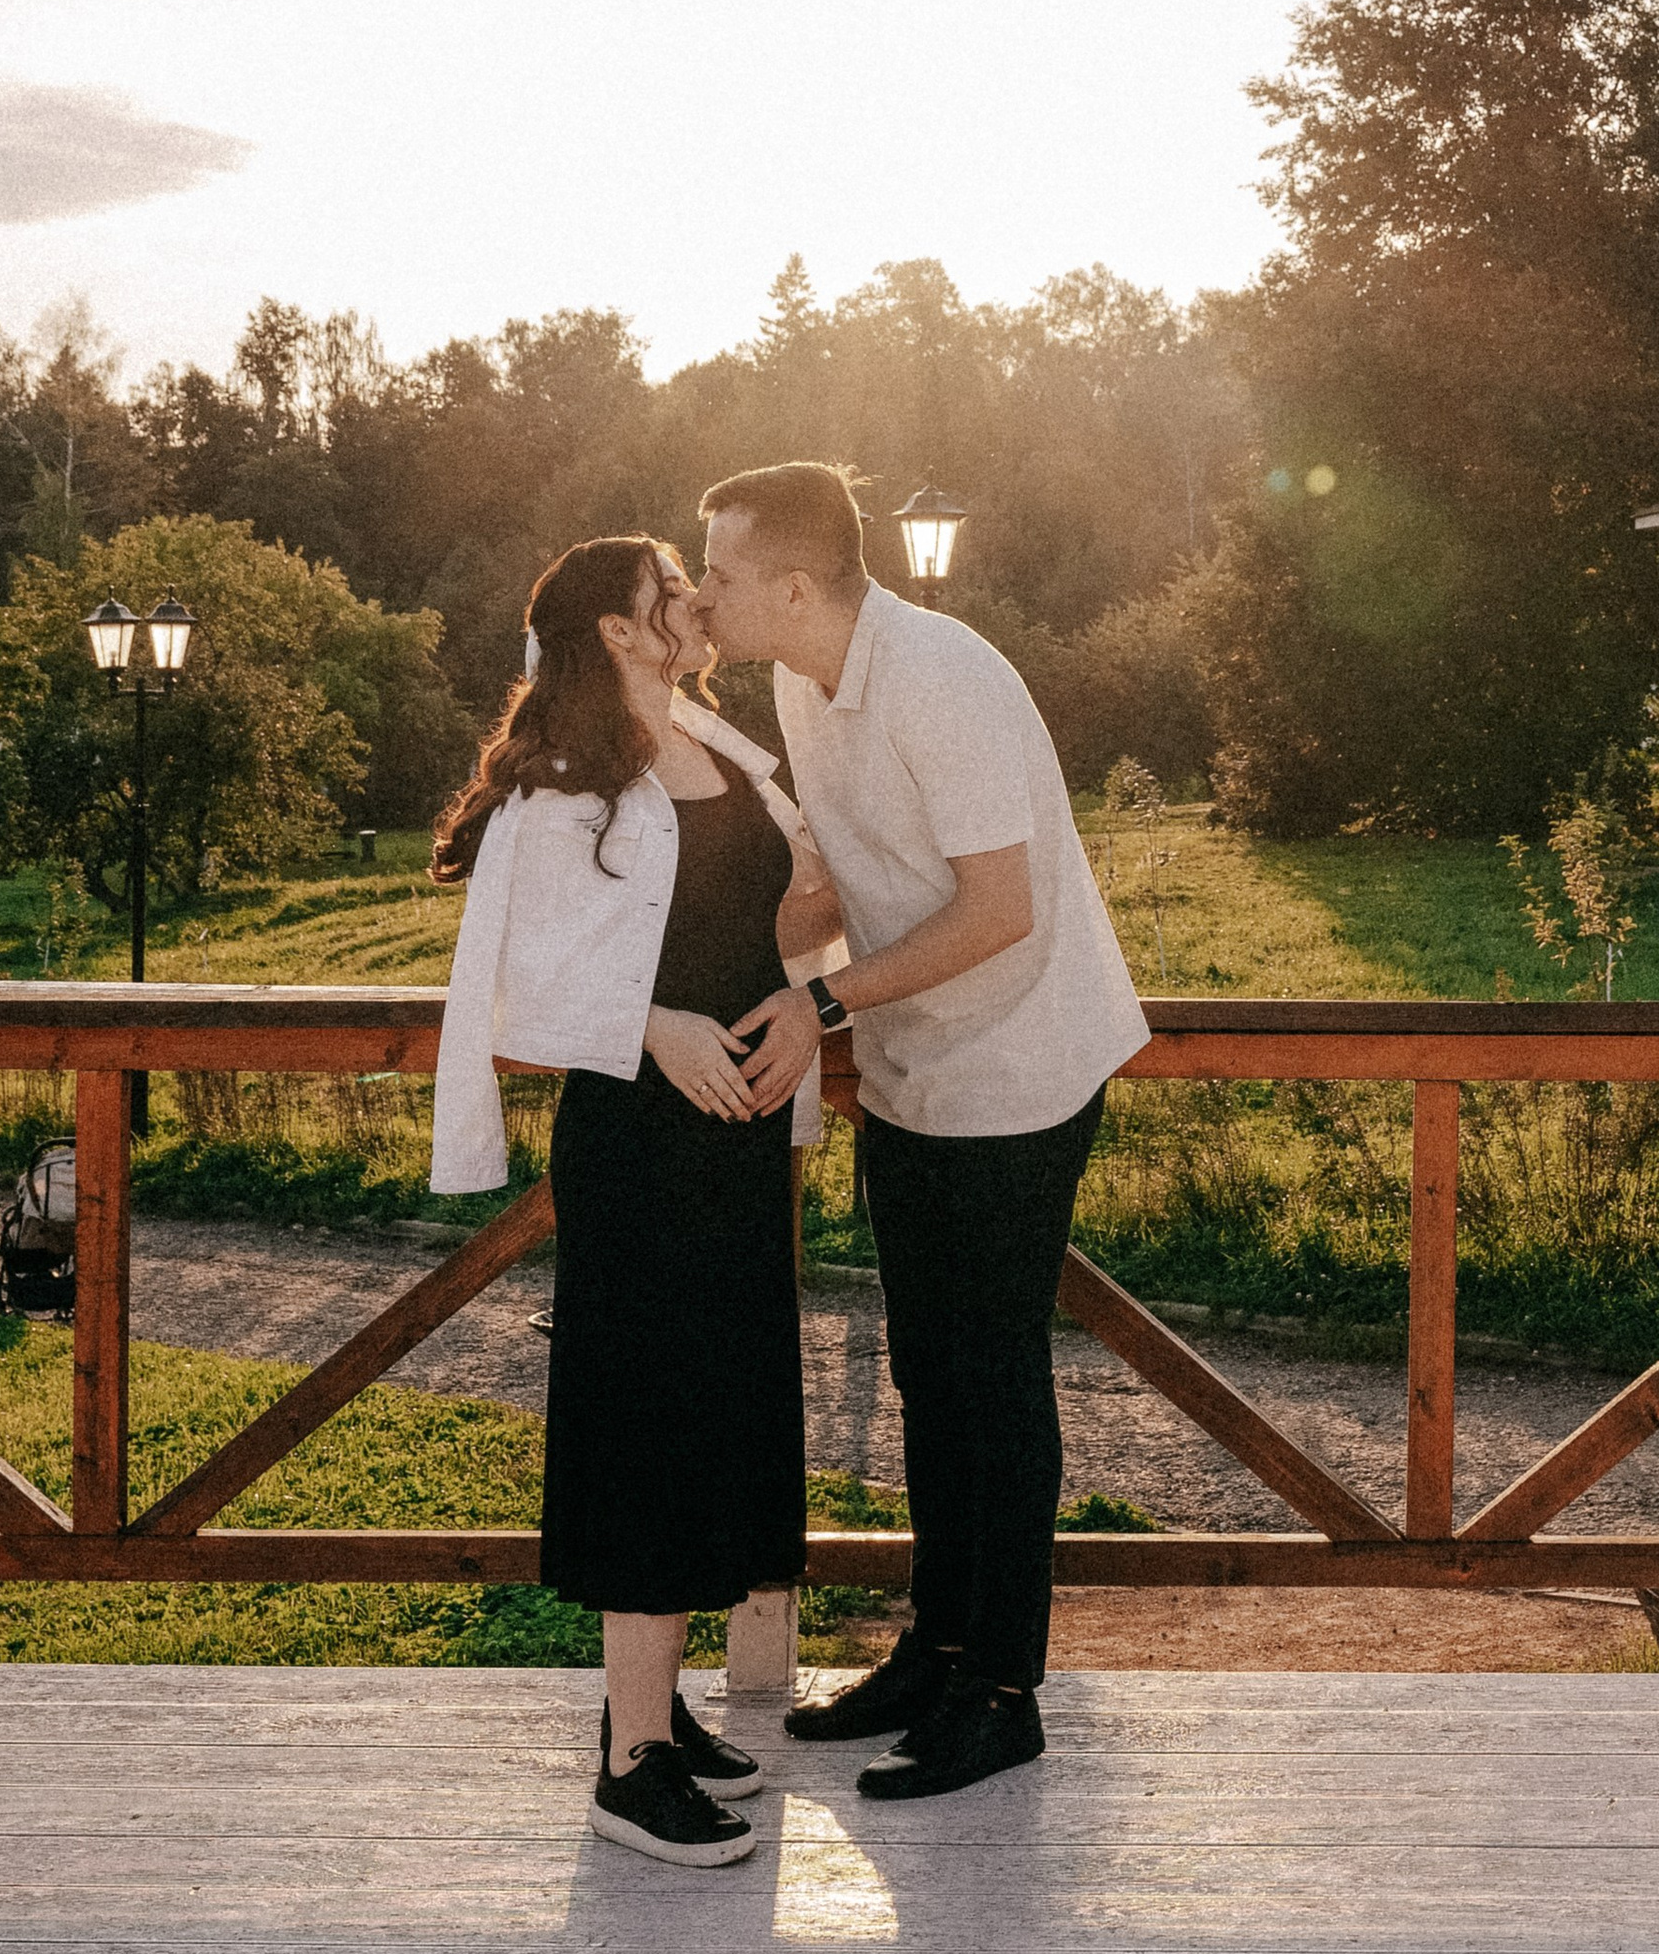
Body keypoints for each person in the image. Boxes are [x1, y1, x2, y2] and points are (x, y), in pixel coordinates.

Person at [698, 462, 1148, 1801]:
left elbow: (998, 909)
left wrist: (818, 998)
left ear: (791, 587)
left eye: (716, 572)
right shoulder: (796, 682)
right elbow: (844, 880)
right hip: (912, 1065)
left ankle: (1001, 1694)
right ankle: (934, 1650)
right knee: (927, 1376)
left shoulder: (942, 676)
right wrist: (748, 963)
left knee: (990, 1383)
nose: (701, 591)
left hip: (1018, 1064)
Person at [430, 533, 828, 1870]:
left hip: (735, 1144)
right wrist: (655, 1030)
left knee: (720, 1416)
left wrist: (807, 1017)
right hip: (641, 1148)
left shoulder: (728, 754)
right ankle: (627, 1768)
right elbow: (513, 995)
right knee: (647, 1429)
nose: (696, 600)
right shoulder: (566, 788)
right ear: (616, 629)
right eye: (673, 588)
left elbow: (775, 930)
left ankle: (657, 1719)